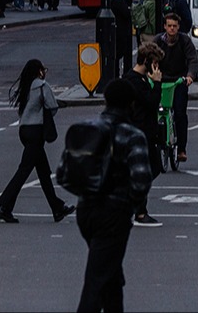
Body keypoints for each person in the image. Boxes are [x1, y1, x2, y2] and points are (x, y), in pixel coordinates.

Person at [65, 80, 156, 313]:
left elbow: (64, 174)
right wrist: (129, 205)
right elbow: (142, 179)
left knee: (111, 275)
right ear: (131, 104)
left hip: (85, 211)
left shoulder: (88, 127)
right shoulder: (132, 135)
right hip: (114, 213)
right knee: (96, 280)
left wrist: (88, 193)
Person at [0, 59, 73, 223]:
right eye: (43, 69)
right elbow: (52, 106)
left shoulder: (26, 86)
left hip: (24, 130)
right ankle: (4, 205)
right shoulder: (42, 86)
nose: (44, 72)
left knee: (44, 172)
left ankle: (57, 209)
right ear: (39, 71)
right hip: (36, 131)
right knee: (24, 170)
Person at [109, 41, 166, 227]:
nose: (157, 68)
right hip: (139, 133)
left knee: (152, 168)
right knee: (150, 168)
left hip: (144, 132)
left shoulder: (137, 79)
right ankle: (140, 211)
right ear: (146, 61)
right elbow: (151, 102)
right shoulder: (134, 81)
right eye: (155, 63)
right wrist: (157, 83)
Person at [156, 14, 197, 163]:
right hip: (161, 80)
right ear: (165, 27)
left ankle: (181, 149)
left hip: (179, 81)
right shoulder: (158, 41)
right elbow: (149, 58)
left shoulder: (185, 41)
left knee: (180, 113)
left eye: (174, 26)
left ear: (178, 27)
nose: (172, 28)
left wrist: (190, 76)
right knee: (154, 111)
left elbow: (192, 59)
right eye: (169, 26)